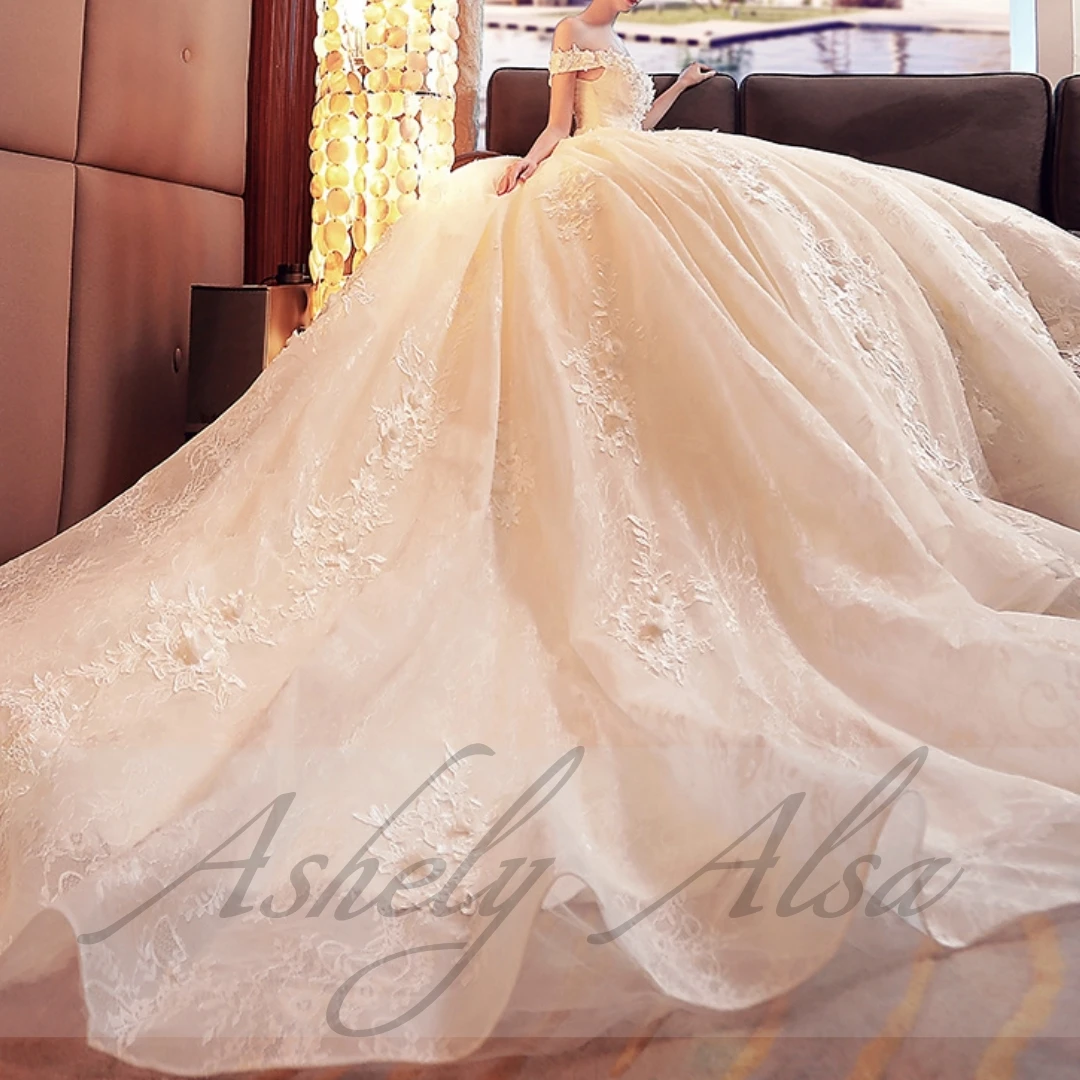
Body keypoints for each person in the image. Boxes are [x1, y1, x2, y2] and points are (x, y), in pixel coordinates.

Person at [1, 0, 1080, 1073]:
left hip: (635, 174)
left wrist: (668, 108)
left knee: (745, 233)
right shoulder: (576, 30)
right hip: (587, 186)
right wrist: (536, 162)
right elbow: (568, 129)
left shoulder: (625, 40)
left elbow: (620, 125)